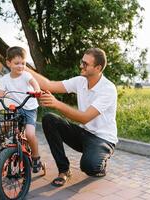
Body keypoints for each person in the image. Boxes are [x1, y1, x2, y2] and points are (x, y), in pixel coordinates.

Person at [26, 48, 117, 187]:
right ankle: (64, 170)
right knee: (49, 119)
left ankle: (100, 163)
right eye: (82, 62)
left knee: (89, 167)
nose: (81, 66)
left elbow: (85, 118)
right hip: (83, 133)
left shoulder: (108, 89)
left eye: (85, 64)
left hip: (102, 139)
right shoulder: (80, 81)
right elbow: (48, 84)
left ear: (98, 68)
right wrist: (23, 67)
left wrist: (57, 104)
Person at [0, 46, 43, 173]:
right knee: (6, 124)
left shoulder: (26, 75)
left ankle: (35, 157)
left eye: (23, 63)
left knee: (29, 134)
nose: (20, 66)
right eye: (16, 63)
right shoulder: (5, 79)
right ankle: (1, 141)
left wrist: (37, 90)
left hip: (29, 108)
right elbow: (0, 93)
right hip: (15, 109)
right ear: (8, 63)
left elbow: (34, 83)